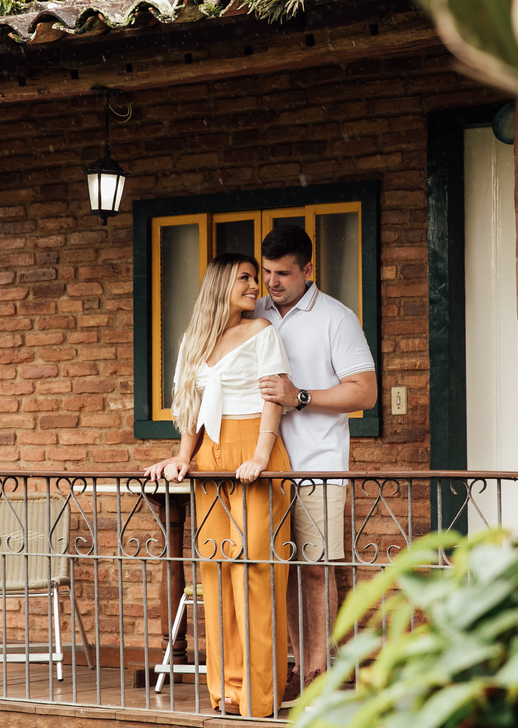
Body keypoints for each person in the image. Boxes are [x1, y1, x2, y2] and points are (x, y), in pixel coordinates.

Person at [144, 253, 294, 718]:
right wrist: (182, 457)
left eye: (254, 278)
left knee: (257, 573)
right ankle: (226, 691)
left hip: (254, 453)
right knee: (216, 570)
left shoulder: (263, 332)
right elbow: (190, 407)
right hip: (210, 457)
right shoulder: (194, 340)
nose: (255, 286)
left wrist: (261, 457)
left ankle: (259, 696)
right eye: (244, 278)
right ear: (220, 285)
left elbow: (273, 399)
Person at [254, 225, 377, 708]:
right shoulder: (254, 312)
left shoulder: (336, 318)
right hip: (262, 468)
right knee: (277, 572)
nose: (272, 282)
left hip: (317, 466)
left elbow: (364, 392)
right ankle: (293, 667)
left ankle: (317, 674)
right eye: (266, 272)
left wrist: (299, 396)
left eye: (283, 273)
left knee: (315, 571)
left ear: (308, 269)